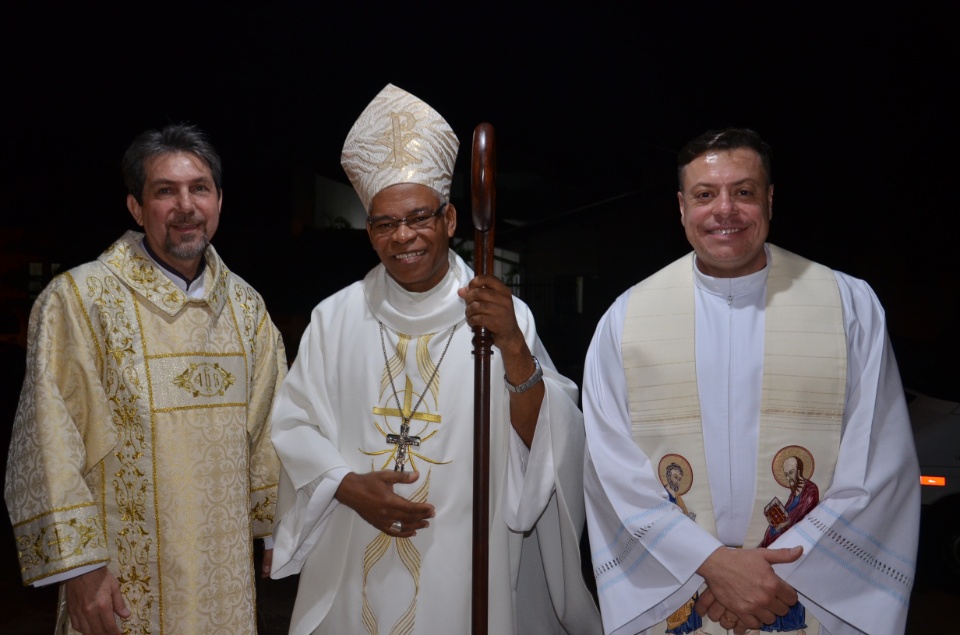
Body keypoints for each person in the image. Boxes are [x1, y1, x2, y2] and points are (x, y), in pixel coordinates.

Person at [269, 84, 601, 634]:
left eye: (418, 217)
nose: (403, 237)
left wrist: (515, 349)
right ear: (370, 231)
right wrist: (346, 487)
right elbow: (293, 423)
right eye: (384, 223)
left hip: (470, 554)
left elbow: (547, 439)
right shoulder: (335, 318)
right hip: (356, 547)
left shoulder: (503, 313)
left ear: (449, 219)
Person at [582, 128, 919, 634]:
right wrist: (711, 566)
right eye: (704, 194)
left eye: (743, 192)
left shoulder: (849, 306)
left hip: (799, 591)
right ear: (680, 207)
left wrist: (764, 578)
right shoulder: (627, 318)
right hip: (685, 586)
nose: (725, 210)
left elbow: (879, 461)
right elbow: (609, 469)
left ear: (769, 199)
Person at [4, 124, 288, 635]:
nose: (186, 206)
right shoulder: (79, 301)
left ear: (219, 201)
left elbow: (271, 428)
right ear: (136, 207)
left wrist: (276, 528)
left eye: (199, 188)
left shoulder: (247, 310)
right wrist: (81, 569)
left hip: (225, 585)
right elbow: (49, 439)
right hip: (121, 582)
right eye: (165, 191)